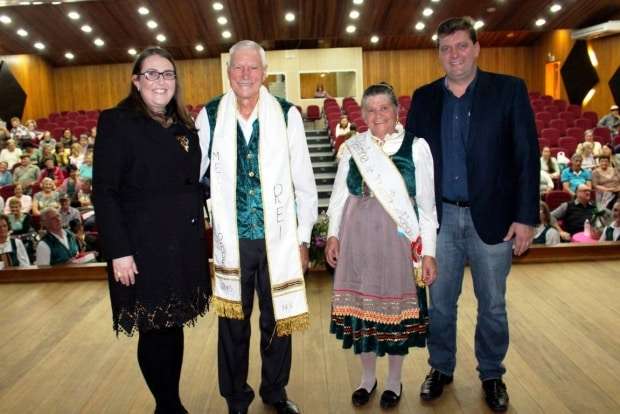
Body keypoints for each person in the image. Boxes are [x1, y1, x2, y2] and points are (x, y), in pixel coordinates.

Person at [405, 17, 539, 412]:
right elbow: (411, 164)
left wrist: (525, 217)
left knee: (493, 304)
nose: (454, 55)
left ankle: (492, 373)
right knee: (441, 303)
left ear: (477, 48)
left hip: (495, 219)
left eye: (461, 46)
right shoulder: (425, 97)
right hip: (442, 220)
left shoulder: (509, 91)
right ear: (438, 54)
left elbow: (526, 157)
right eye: (446, 49)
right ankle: (441, 367)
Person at [196, 40, 317, 414]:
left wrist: (302, 240)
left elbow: (304, 183)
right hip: (231, 241)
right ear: (228, 71)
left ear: (265, 73)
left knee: (278, 319)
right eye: (238, 67)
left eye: (253, 68)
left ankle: (274, 390)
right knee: (233, 323)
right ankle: (236, 396)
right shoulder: (209, 115)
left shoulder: (287, 114)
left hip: (278, 239)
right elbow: (194, 177)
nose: (245, 75)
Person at [93, 46, 210, 413]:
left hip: (182, 245)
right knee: (153, 326)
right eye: (152, 74)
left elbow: (191, 183)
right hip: (142, 248)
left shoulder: (184, 126)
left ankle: (169, 403)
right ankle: (168, 405)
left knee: (172, 325)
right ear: (136, 80)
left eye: (168, 74)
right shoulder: (117, 122)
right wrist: (119, 251)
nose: (161, 81)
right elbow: (105, 191)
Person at [325, 83, 438, 409]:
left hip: (398, 243)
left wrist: (428, 251)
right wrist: (333, 234)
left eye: (383, 108)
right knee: (364, 311)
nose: (377, 116)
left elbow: (428, 208)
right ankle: (367, 379)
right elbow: (339, 197)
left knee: (394, 315)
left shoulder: (415, 147)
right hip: (357, 239)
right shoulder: (352, 147)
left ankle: (393, 381)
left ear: (396, 110)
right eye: (370, 110)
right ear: (362, 114)